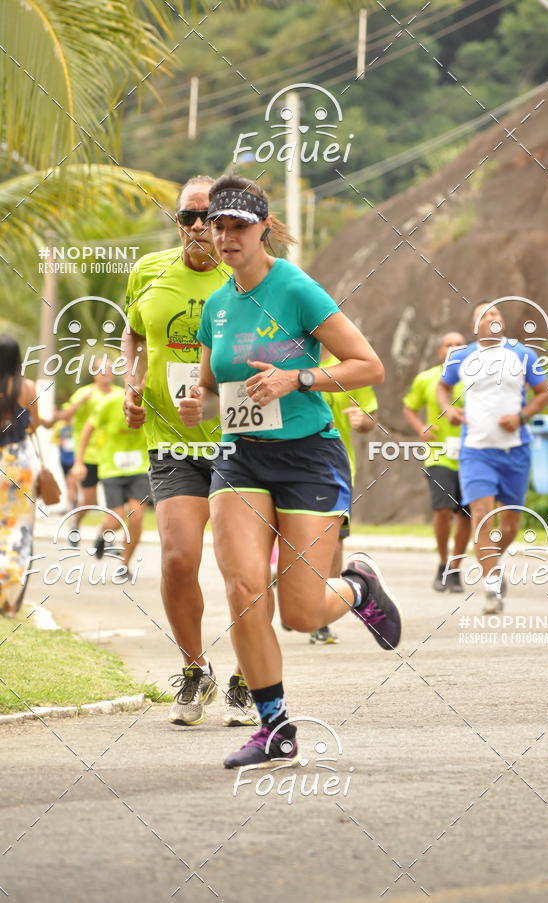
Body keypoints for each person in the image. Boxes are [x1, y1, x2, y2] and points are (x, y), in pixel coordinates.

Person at [179, 173, 401, 769]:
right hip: (240, 456)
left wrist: (297, 377)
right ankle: (274, 728)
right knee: (243, 589)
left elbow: (368, 366)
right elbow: (212, 387)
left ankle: (359, 586)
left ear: (264, 228)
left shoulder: (297, 289)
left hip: (307, 457)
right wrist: (197, 405)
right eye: (217, 226)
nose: (226, 237)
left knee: (302, 613)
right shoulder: (217, 307)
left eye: (239, 226)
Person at [122, 174, 259, 728]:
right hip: (171, 443)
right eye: (188, 216)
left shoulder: (248, 275)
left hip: (240, 441)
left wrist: (218, 392)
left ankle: (249, 677)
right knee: (178, 559)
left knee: (243, 570)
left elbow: (275, 349)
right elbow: (134, 333)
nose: (199, 227)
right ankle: (195, 669)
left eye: (210, 217)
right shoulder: (147, 271)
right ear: (177, 221)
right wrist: (133, 383)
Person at [438, 302, 548, 613]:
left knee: (510, 525)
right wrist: (448, 409)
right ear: (474, 325)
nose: (492, 318)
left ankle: (491, 562)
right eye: (484, 315)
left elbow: (543, 393)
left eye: (496, 313)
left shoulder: (523, 354)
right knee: (481, 515)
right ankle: (491, 586)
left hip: (515, 450)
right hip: (475, 451)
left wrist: (521, 416)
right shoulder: (460, 357)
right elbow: (442, 387)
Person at [310, 350, 379, 643]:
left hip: (332, 465)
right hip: (282, 463)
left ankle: (321, 613)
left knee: (333, 538)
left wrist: (362, 421)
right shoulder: (283, 360)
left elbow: (369, 417)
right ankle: (298, 599)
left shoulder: (350, 368)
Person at [403, 332, 470, 593]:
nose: (453, 348)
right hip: (438, 454)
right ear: (440, 351)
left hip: (471, 454)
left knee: (466, 514)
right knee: (442, 509)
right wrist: (421, 428)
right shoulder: (427, 378)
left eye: (459, 345)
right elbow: (409, 407)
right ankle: (443, 562)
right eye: (448, 344)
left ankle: (455, 567)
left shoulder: (476, 377)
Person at [72, 385, 150, 578]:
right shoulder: (109, 402)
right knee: (116, 518)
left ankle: (124, 564)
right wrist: (79, 462)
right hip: (111, 469)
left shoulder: (152, 401)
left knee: (136, 517)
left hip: (139, 469)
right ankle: (102, 533)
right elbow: (87, 429)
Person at [0, 336, 41, 615]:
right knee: (18, 529)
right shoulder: (27, 387)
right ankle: (10, 601)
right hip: (20, 465)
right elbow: (34, 425)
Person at [59, 365, 121, 539]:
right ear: (94, 374)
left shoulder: (119, 394)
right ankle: (75, 523)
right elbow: (64, 416)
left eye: (109, 369)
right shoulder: (84, 393)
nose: (106, 373)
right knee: (89, 500)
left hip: (112, 456)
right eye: (101, 370)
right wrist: (80, 402)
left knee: (115, 503)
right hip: (89, 455)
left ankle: (105, 535)